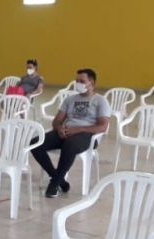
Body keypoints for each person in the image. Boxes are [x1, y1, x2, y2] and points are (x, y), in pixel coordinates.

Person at [31, 68, 111, 198]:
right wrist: (59, 129)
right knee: (35, 143)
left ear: (92, 83)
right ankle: (60, 180)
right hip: (66, 132)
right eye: (76, 81)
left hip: (87, 135)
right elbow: (57, 121)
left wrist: (78, 130)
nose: (78, 84)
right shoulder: (70, 100)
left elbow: (102, 126)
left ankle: (54, 184)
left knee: (70, 145)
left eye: (82, 81)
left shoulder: (100, 101)